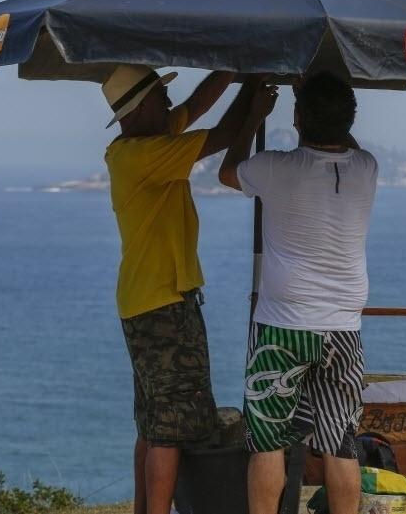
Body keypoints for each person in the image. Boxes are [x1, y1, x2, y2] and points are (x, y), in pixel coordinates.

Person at [103, 64, 275, 514]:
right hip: (163, 302)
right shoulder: (146, 154)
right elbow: (223, 134)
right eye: (160, 96)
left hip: (143, 299)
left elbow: (199, 104)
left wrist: (236, 69)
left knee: (152, 418)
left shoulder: (135, 144)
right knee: (171, 426)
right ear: (141, 109)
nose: (168, 103)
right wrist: (255, 107)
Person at [218, 74, 378, 514]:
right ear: (349, 120)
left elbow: (228, 172)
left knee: (267, 440)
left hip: (281, 327)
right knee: (340, 443)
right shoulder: (366, 168)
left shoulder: (275, 168)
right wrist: (327, 109)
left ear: (297, 117)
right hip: (343, 328)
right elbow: (346, 140)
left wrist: (253, 116)